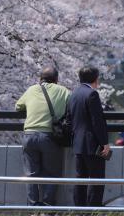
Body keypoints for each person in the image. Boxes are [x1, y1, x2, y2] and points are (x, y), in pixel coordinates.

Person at [15, 67, 71, 206]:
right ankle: (47, 207)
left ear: (40, 78)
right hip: (50, 137)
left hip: (29, 135)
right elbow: (72, 107)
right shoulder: (63, 91)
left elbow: (18, 107)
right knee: (52, 174)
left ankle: (33, 208)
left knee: (31, 175)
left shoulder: (31, 89)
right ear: (57, 79)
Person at [67, 66, 110, 207]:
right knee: (97, 179)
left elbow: (69, 119)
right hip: (92, 145)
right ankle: (93, 208)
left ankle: (79, 209)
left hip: (78, 143)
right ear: (95, 78)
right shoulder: (92, 94)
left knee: (80, 179)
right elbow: (97, 121)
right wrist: (105, 143)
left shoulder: (74, 94)